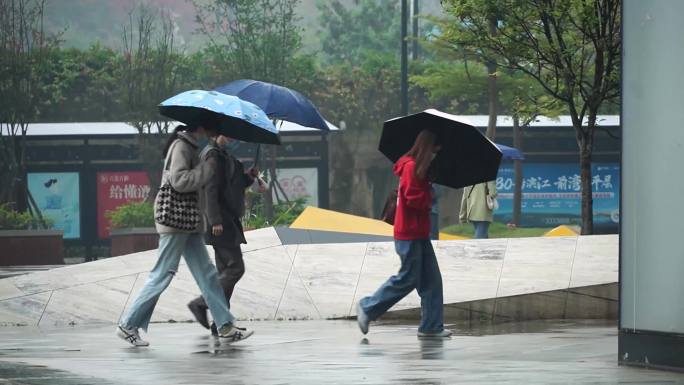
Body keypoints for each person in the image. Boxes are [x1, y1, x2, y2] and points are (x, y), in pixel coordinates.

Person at [116, 124, 253, 347]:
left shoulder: (191, 147)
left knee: (208, 275)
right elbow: (180, 181)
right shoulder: (181, 146)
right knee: (162, 274)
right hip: (176, 222)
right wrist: (206, 169)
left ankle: (225, 326)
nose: (213, 131)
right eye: (209, 126)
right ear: (200, 127)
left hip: (189, 223)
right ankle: (127, 324)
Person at [356, 130, 452, 339]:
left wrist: (429, 183)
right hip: (408, 233)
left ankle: (431, 327)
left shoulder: (420, 169)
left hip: (419, 232)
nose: (437, 153)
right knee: (408, 278)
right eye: (436, 149)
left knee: (432, 281)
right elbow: (411, 197)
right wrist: (430, 195)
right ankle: (368, 308)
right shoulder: (410, 167)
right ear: (428, 148)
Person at [188, 133, 265, 336]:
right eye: (225, 134)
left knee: (225, 272)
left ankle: (222, 323)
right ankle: (202, 303)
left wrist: (249, 176)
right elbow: (209, 191)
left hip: (227, 221)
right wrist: (215, 220)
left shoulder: (224, 156)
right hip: (220, 223)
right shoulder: (213, 156)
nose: (230, 137)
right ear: (215, 134)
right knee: (235, 269)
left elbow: (233, 186)